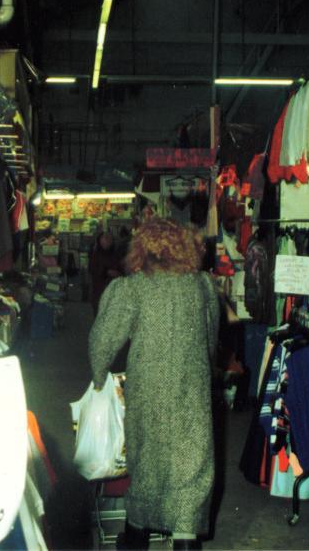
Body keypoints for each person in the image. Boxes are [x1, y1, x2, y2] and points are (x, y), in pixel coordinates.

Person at [88, 218, 219, 550]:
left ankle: (135, 536)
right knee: (191, 469)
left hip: (148, 391)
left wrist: (99, 375)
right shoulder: (202, 285)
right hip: (193, 392)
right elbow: (211, 339)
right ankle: (185, 539)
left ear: (142, 249)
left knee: (147, 465)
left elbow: (103, 340)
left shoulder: (133, 288)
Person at [88, 231, 122, 315]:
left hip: (114, 290)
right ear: (100, 240)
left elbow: (121, 267)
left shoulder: (116, 254)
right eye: (105, 238)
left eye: (109, 239)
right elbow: (92, 269)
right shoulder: (96, 254)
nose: (107, 241)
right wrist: (106, 272)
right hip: (99, 289)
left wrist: (119, 273)